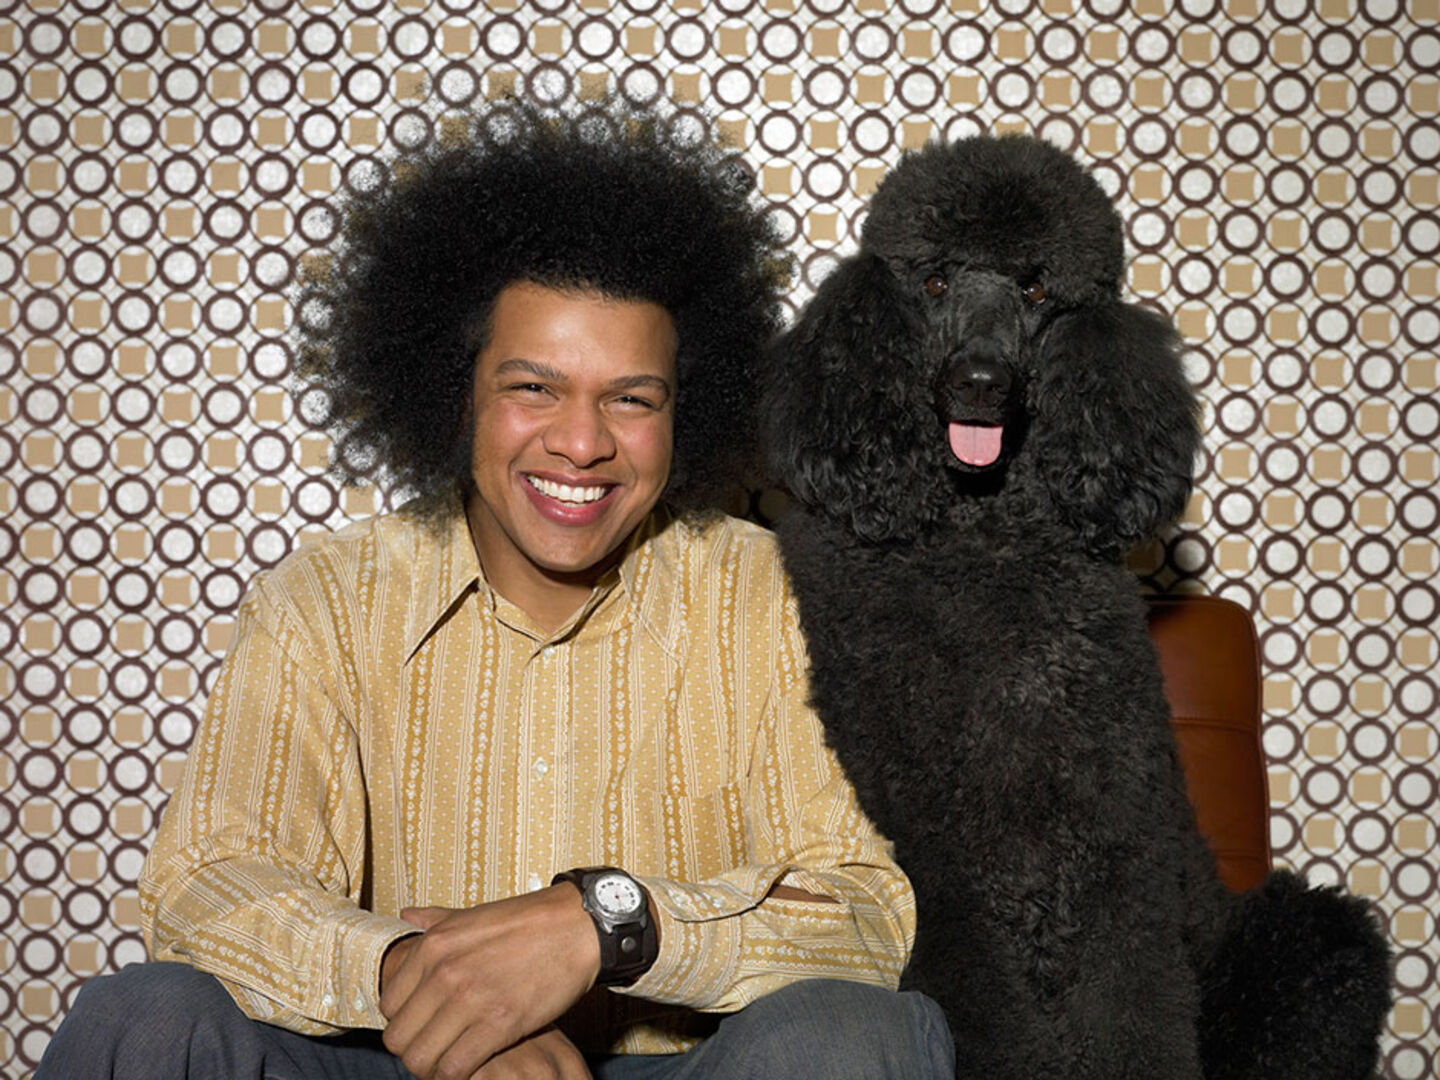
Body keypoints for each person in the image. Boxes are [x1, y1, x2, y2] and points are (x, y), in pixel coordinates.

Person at [38, 99, 954, 1080]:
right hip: (389, 1054)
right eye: (534, 388)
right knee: (147, 1017)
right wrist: (435, 987)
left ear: (684, 413)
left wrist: (607, 926)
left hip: (688, 1067)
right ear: (457, 391)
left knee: (856, 1033)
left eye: (630, 399)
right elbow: (205, 889)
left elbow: (865, 916)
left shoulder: (777, 598)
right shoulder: (325, 600)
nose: (582, 441)